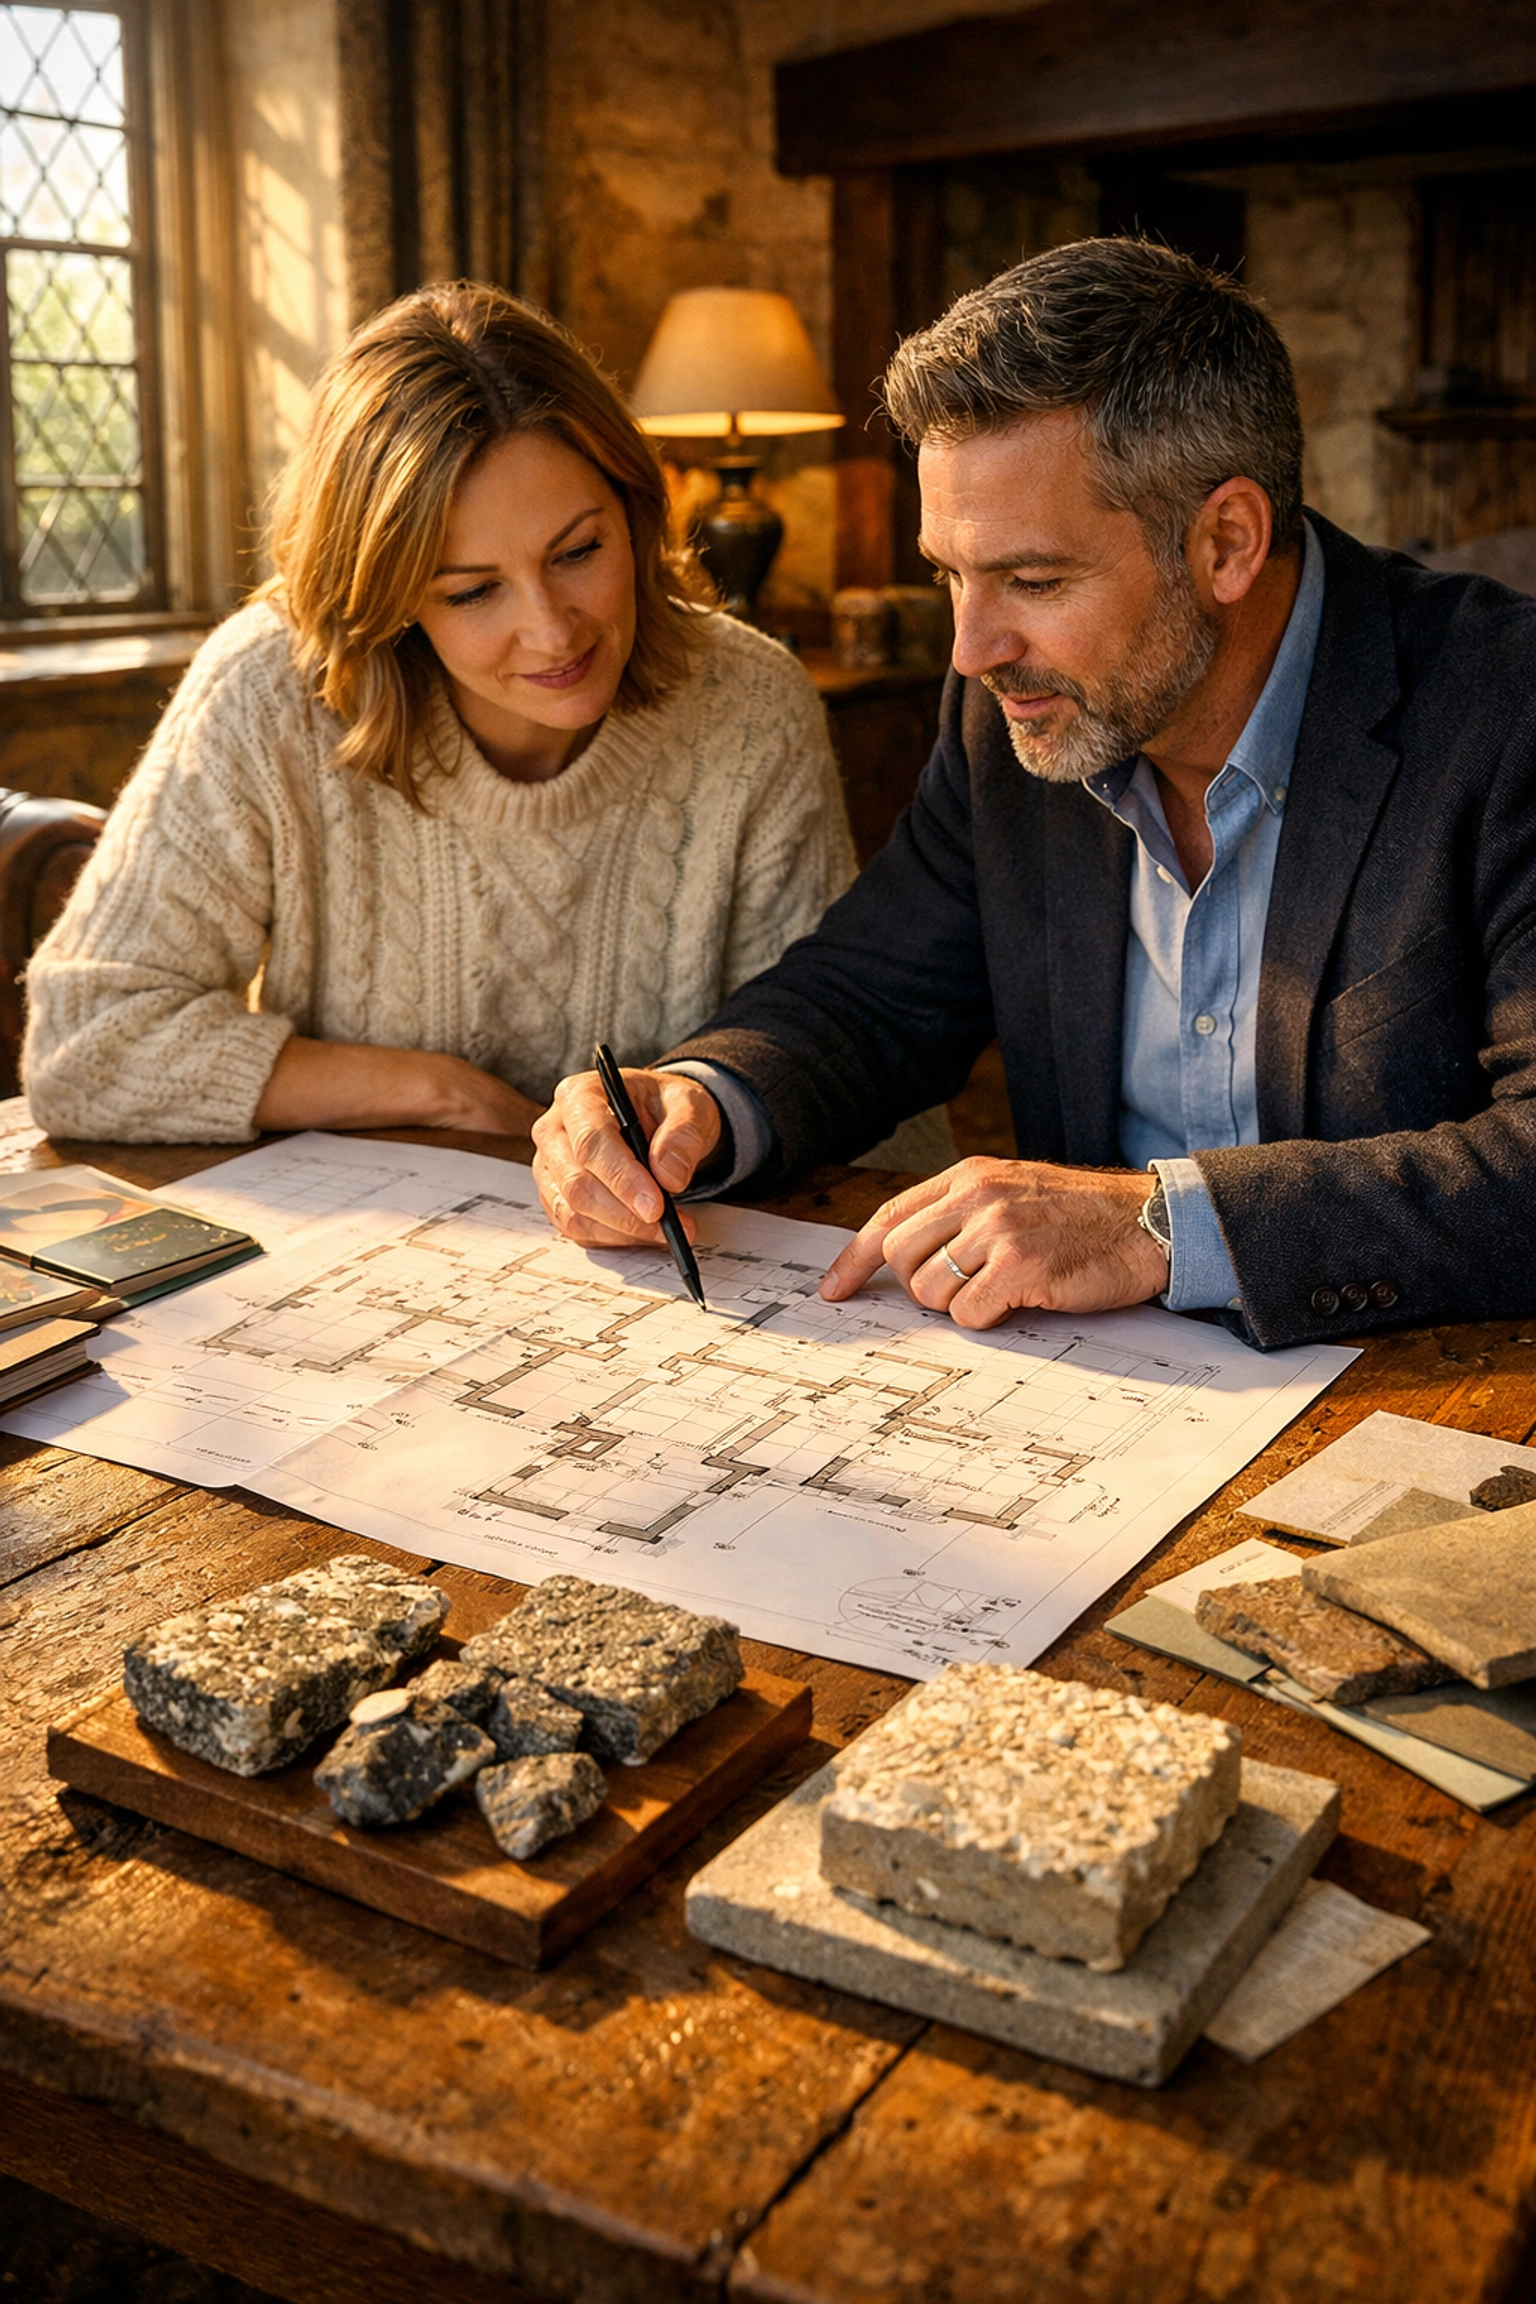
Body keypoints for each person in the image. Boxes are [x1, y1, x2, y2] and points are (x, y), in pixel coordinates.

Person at [531, 236, 1536, 1353]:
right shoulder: (1017, 713)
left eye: (1034, 579)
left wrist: (1162, 1226)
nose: (972, 649)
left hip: (1429, 1388)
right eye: (950, 575)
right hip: (1098, 1388)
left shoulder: (1508, 710)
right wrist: (699, 1101)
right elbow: (874, 996)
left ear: (1228, 541)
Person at [21, 281, 949, 1176]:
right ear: (387, 598)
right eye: (471, 591)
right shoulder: (271, 690)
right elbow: (84, 1043)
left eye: (578, 550)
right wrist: (440, 1091)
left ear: (634, 509)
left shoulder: (751, 706)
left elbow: (842, 1068)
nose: (552, 631)